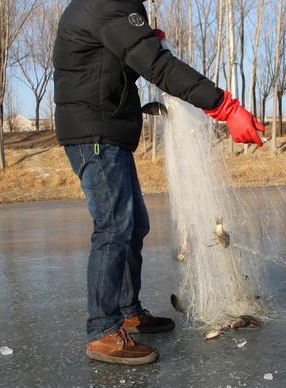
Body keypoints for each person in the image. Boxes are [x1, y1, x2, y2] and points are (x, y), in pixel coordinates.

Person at [53, 0, 264, 366]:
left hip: (106, 131)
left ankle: (127, 310)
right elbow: (156, 65)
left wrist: (145, 38)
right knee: (113, 226)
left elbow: (120, 61)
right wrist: (223, 106)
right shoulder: (107, 4)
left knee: (134, 225)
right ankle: (103, 330)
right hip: (94, 133)